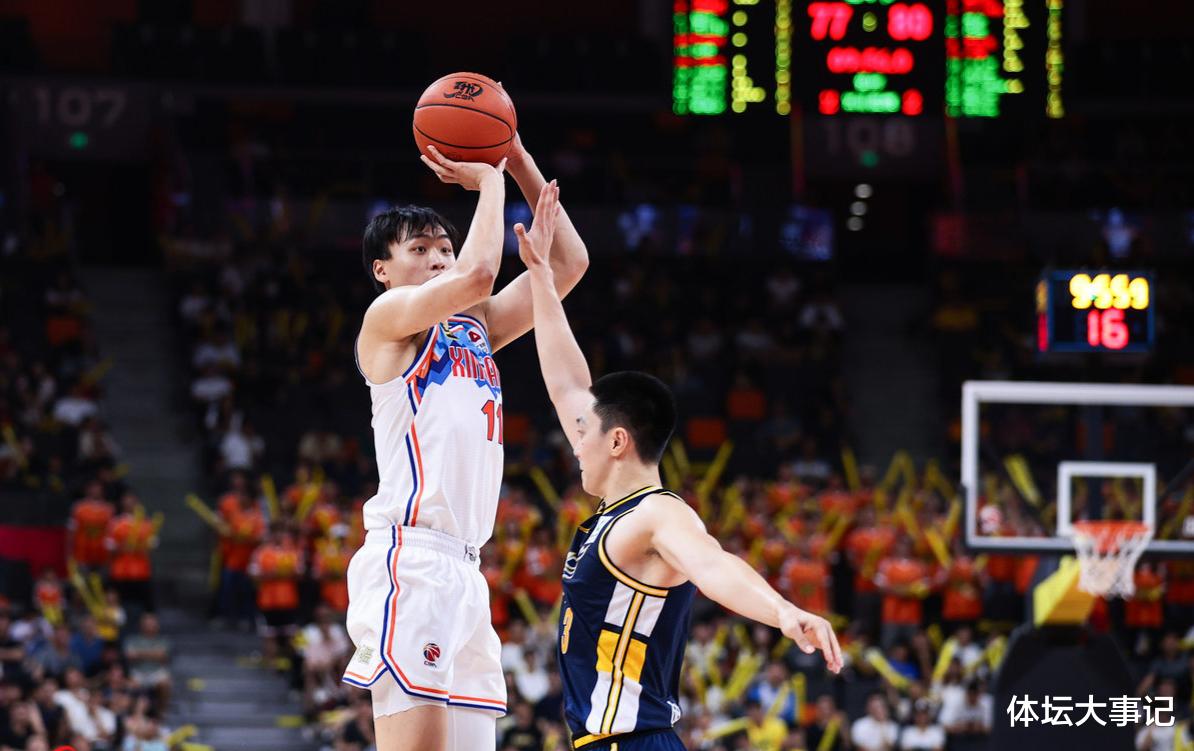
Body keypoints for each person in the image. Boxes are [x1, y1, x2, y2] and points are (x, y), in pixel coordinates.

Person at [516, 188, 841, 751]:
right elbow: (566, 385)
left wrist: (782, 610)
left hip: (633, 741)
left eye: (583, 435)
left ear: (618, 441)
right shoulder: (617, 508)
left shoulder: (658, 515)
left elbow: (712, 564)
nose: (574, 445)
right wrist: (541, 277)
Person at [341, 132, 589, 751]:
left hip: (467, 569)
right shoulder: (386, 323)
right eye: (420, 248)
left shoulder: (475, 326)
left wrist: (519, 160)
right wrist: (488, 182)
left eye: (444, 247)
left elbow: (568, 265)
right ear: (381, 270)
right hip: (411, 561)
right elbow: (479, 273)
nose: (438, 258)